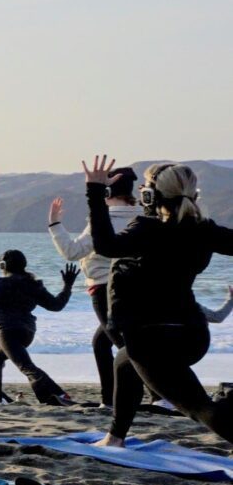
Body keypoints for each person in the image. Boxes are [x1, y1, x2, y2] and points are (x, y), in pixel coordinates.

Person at [81, 156, 233, 449]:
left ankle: (115, 438)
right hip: (193, 335)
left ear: (151, 196)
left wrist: (95, 193)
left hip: (153, 339)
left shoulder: (147, 229)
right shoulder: (204, 229)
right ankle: (115, 437)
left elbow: (106, 246)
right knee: (124, 362)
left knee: (198, 408)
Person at [48, 165, 140, 407]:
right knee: (102, 343)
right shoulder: (144, 217)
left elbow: (72, 251)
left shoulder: (105, 220)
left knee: (128, 350)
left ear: (107, 194)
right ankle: (109, 400)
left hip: (104, 289)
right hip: (139, 288)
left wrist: (55, 224)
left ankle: (159, 397)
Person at [0, 253, 77, 404]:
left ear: (3, 266)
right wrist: (67, 285)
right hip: (27, 333)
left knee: (26, 367)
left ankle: (58, 395)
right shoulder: (33, 284)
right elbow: (56, 305)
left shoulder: (1, 283)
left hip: (7, 333)